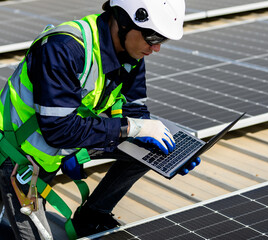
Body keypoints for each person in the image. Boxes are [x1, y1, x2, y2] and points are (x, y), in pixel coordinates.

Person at [0, 0, 201, 239]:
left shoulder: (131, 53)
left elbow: (134, 112)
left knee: (148, 148)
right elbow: (58, 130)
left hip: (62, 142)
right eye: (153, 38)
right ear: (124, 23)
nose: (155, 48)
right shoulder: (63, 48)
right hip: (20, 159)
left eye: (161, 41)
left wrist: (172, 155)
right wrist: (132, 128)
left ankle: (92, 217)